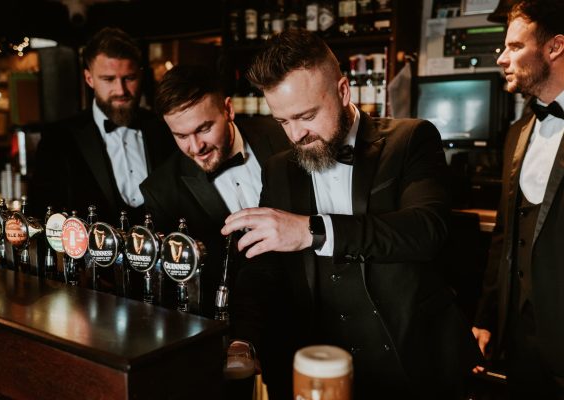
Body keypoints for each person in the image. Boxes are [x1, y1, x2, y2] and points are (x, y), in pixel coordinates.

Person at [220, 29, 481, 399]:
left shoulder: (410, 140)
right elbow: (265, 266)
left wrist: (311, 231)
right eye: (283, 122)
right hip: (319, 366)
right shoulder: (280, 169)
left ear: (343, 91)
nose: (295, 135)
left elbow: (427, 230)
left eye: (306, 115)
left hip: (412, 361)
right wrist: (243, 337)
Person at [139, 64, 289, 318]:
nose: (196, 147)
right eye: (181, 135)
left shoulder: (283, 135)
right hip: (232, 322)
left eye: (204, 129)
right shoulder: (161, 190)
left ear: (228, 109)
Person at [472, 0, 564, 398]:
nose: (502, 58)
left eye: (514, 47)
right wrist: (487, 317)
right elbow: (505, 238)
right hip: (521, 344)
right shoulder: (518, 131)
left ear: (554, 47)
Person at [28, 27, 175, 225]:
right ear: (89, 78)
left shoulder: (165, 128)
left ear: (140, 75)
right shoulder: (58, 138)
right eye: (108, 79)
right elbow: (41, 215)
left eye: (129, 78)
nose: (120, 90)